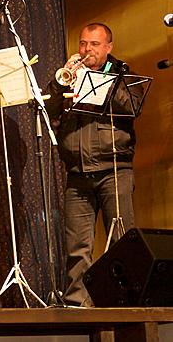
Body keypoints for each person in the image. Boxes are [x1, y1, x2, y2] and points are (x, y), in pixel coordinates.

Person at [46, 22, 141, 307]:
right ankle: (77, 304)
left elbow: (134, 106)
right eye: (83, 43)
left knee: (121, 242)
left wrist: (102, 84)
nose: (87, 50)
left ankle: (123, 301)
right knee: (77, 247)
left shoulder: (122, 73)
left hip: (114, 170)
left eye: (94, 44)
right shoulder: (71, 75)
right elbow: (47, 108)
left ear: (108, 47)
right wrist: (61, 82)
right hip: (77, 174)